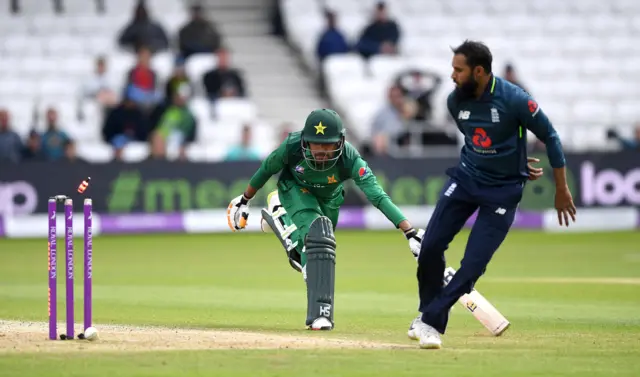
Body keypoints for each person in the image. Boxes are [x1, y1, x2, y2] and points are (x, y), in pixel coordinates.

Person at [407, 40, 577, 349]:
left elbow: (550, 136)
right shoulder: (454, 102)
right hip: (466, 179)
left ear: (480, 71)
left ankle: (430, 320)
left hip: (502, 192)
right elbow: (477, 140)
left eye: (459, 70)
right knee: (430, 247)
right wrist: (507, 158)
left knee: (472, 266)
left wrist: (561, 188)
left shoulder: (515, 100)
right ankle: (427, 315)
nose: (452, 76)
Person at [226, 108, 423, 331]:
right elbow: (265, 170)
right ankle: (319, 317)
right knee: (316, 236)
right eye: (315, 144)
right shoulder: (291, 146)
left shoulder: (350, 158)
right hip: (295, 189)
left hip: (330, 199)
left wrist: (409, 231)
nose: (321, 151)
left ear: (340, 141)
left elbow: (377, 195)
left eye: (328, 145)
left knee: (308, 254)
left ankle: (281, 220)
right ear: (305, 141)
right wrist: (244, 200)